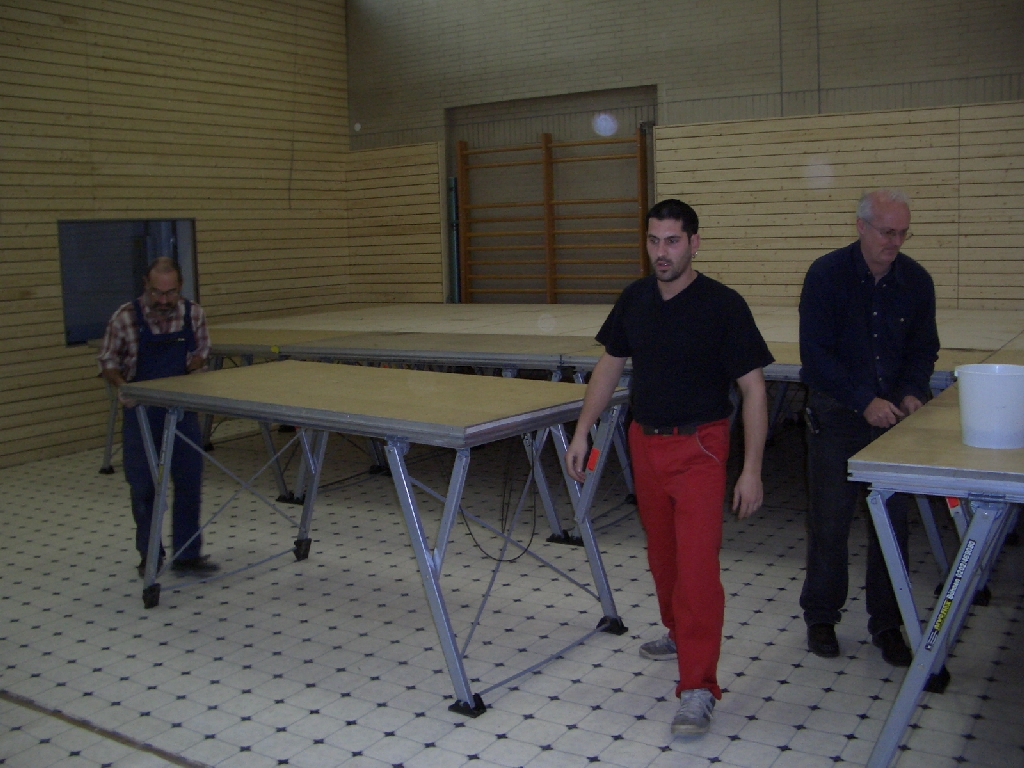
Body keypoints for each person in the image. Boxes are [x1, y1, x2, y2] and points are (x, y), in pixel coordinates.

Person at [566, 199, 772, 737]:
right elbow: (609, 366)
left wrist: (751, 469)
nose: (662, 252)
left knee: (698, 569)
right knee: (663, 558)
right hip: (646, 443)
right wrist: (583, 430)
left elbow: (753, 389)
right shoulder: (635, 299)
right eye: (654, 241)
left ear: (694, 244)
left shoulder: (723, 305)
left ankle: (698, 686)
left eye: (673, 241)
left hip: (701, 447)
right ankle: (680, 633)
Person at [799, 189, 939, 666]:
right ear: (861, 227)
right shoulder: (826, 275)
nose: (895, 242)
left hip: (892, 421)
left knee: (892, 526)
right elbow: (816, 356)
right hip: (838, 416)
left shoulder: (916, 281)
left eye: (903, 233)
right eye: (887, 232)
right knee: (829, 522)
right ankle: (822, 616)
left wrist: (912, 391)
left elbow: (923, 348)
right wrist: (864, 402)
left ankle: (888, 623)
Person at [97, 257, 219, 577]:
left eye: (171, 293)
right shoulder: (125, 318)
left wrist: (194, 369)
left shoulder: (193, 314)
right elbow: (107, 361)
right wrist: (123, 387)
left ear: (180, 287)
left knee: (189, 482)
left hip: (181, 412)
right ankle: (149, 554)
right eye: (157, 293)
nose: (164, 301)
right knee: (144, 488)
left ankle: (188, 555)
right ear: (146, 286)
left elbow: (201, 353)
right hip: (141, 413)